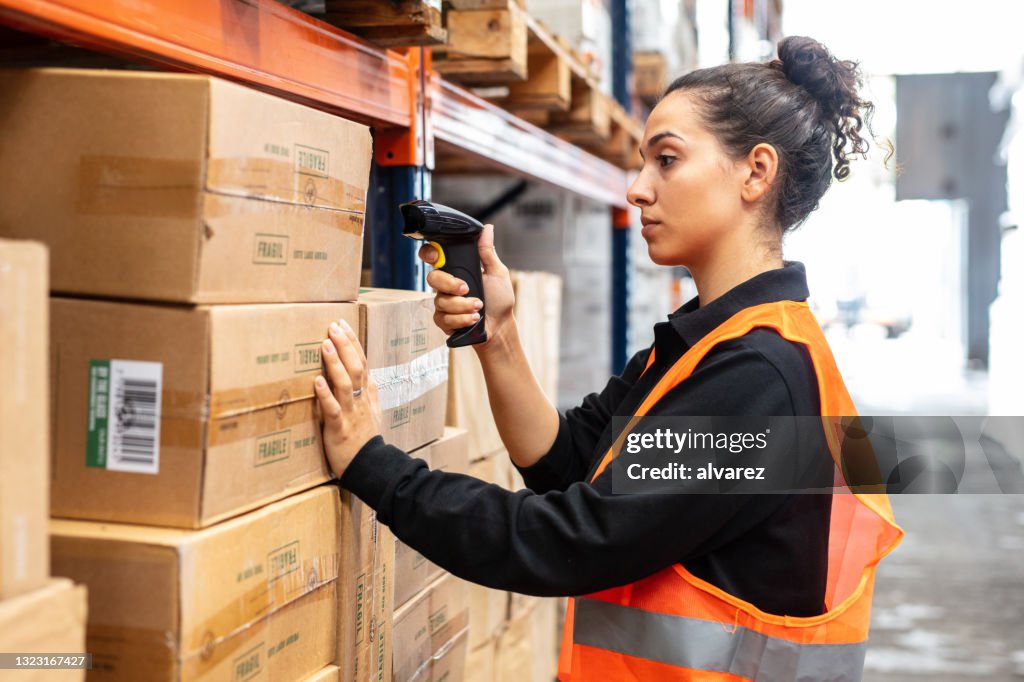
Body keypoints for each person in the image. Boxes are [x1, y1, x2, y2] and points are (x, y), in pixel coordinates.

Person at [313, 36, 904, 681]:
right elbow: (568, 463)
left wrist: (372, 466)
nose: (637, 190)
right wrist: (499, 337)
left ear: (755, 173)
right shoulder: (704, 346)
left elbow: (566, 541)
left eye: (667, 161)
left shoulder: (757, 377)